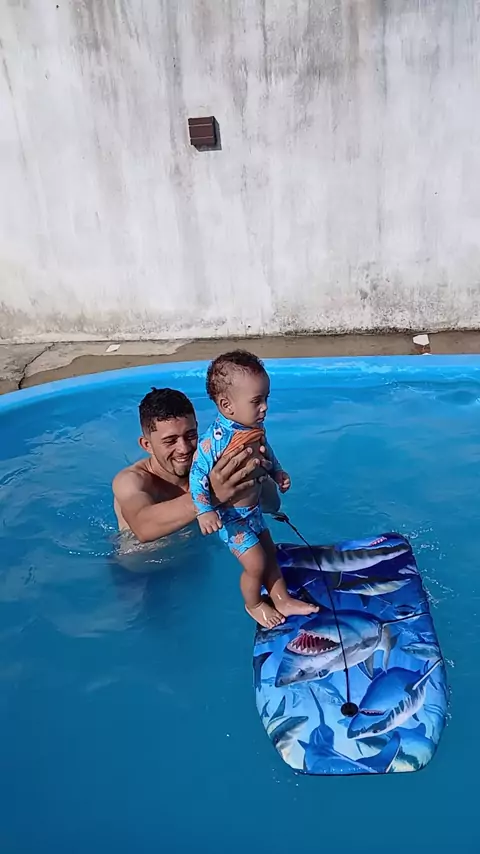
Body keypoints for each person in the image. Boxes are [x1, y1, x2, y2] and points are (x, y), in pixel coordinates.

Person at [189, 350, 318, 629]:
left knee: (270, 555)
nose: (265, 408)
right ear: (227, 405)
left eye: (266, 399)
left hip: (253, 511)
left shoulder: (252, 428)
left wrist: (277, 472)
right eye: (256, 401)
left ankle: (282, 599)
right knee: (256, 563)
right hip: (231, 519)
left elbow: (266, 452)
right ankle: (254, 604)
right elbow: (197, 475)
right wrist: (204, 510)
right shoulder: (216, 441)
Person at [112, 387, 281, 546]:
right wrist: (212, 495)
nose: (184, 449)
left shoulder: (209, 464)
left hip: (203, 555)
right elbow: (143, 528)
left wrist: (256, 474)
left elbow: (272, 506)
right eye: (170, 441)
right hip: (143, 564)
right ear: (147, 445)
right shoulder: (132, 480)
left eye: (190, 435)